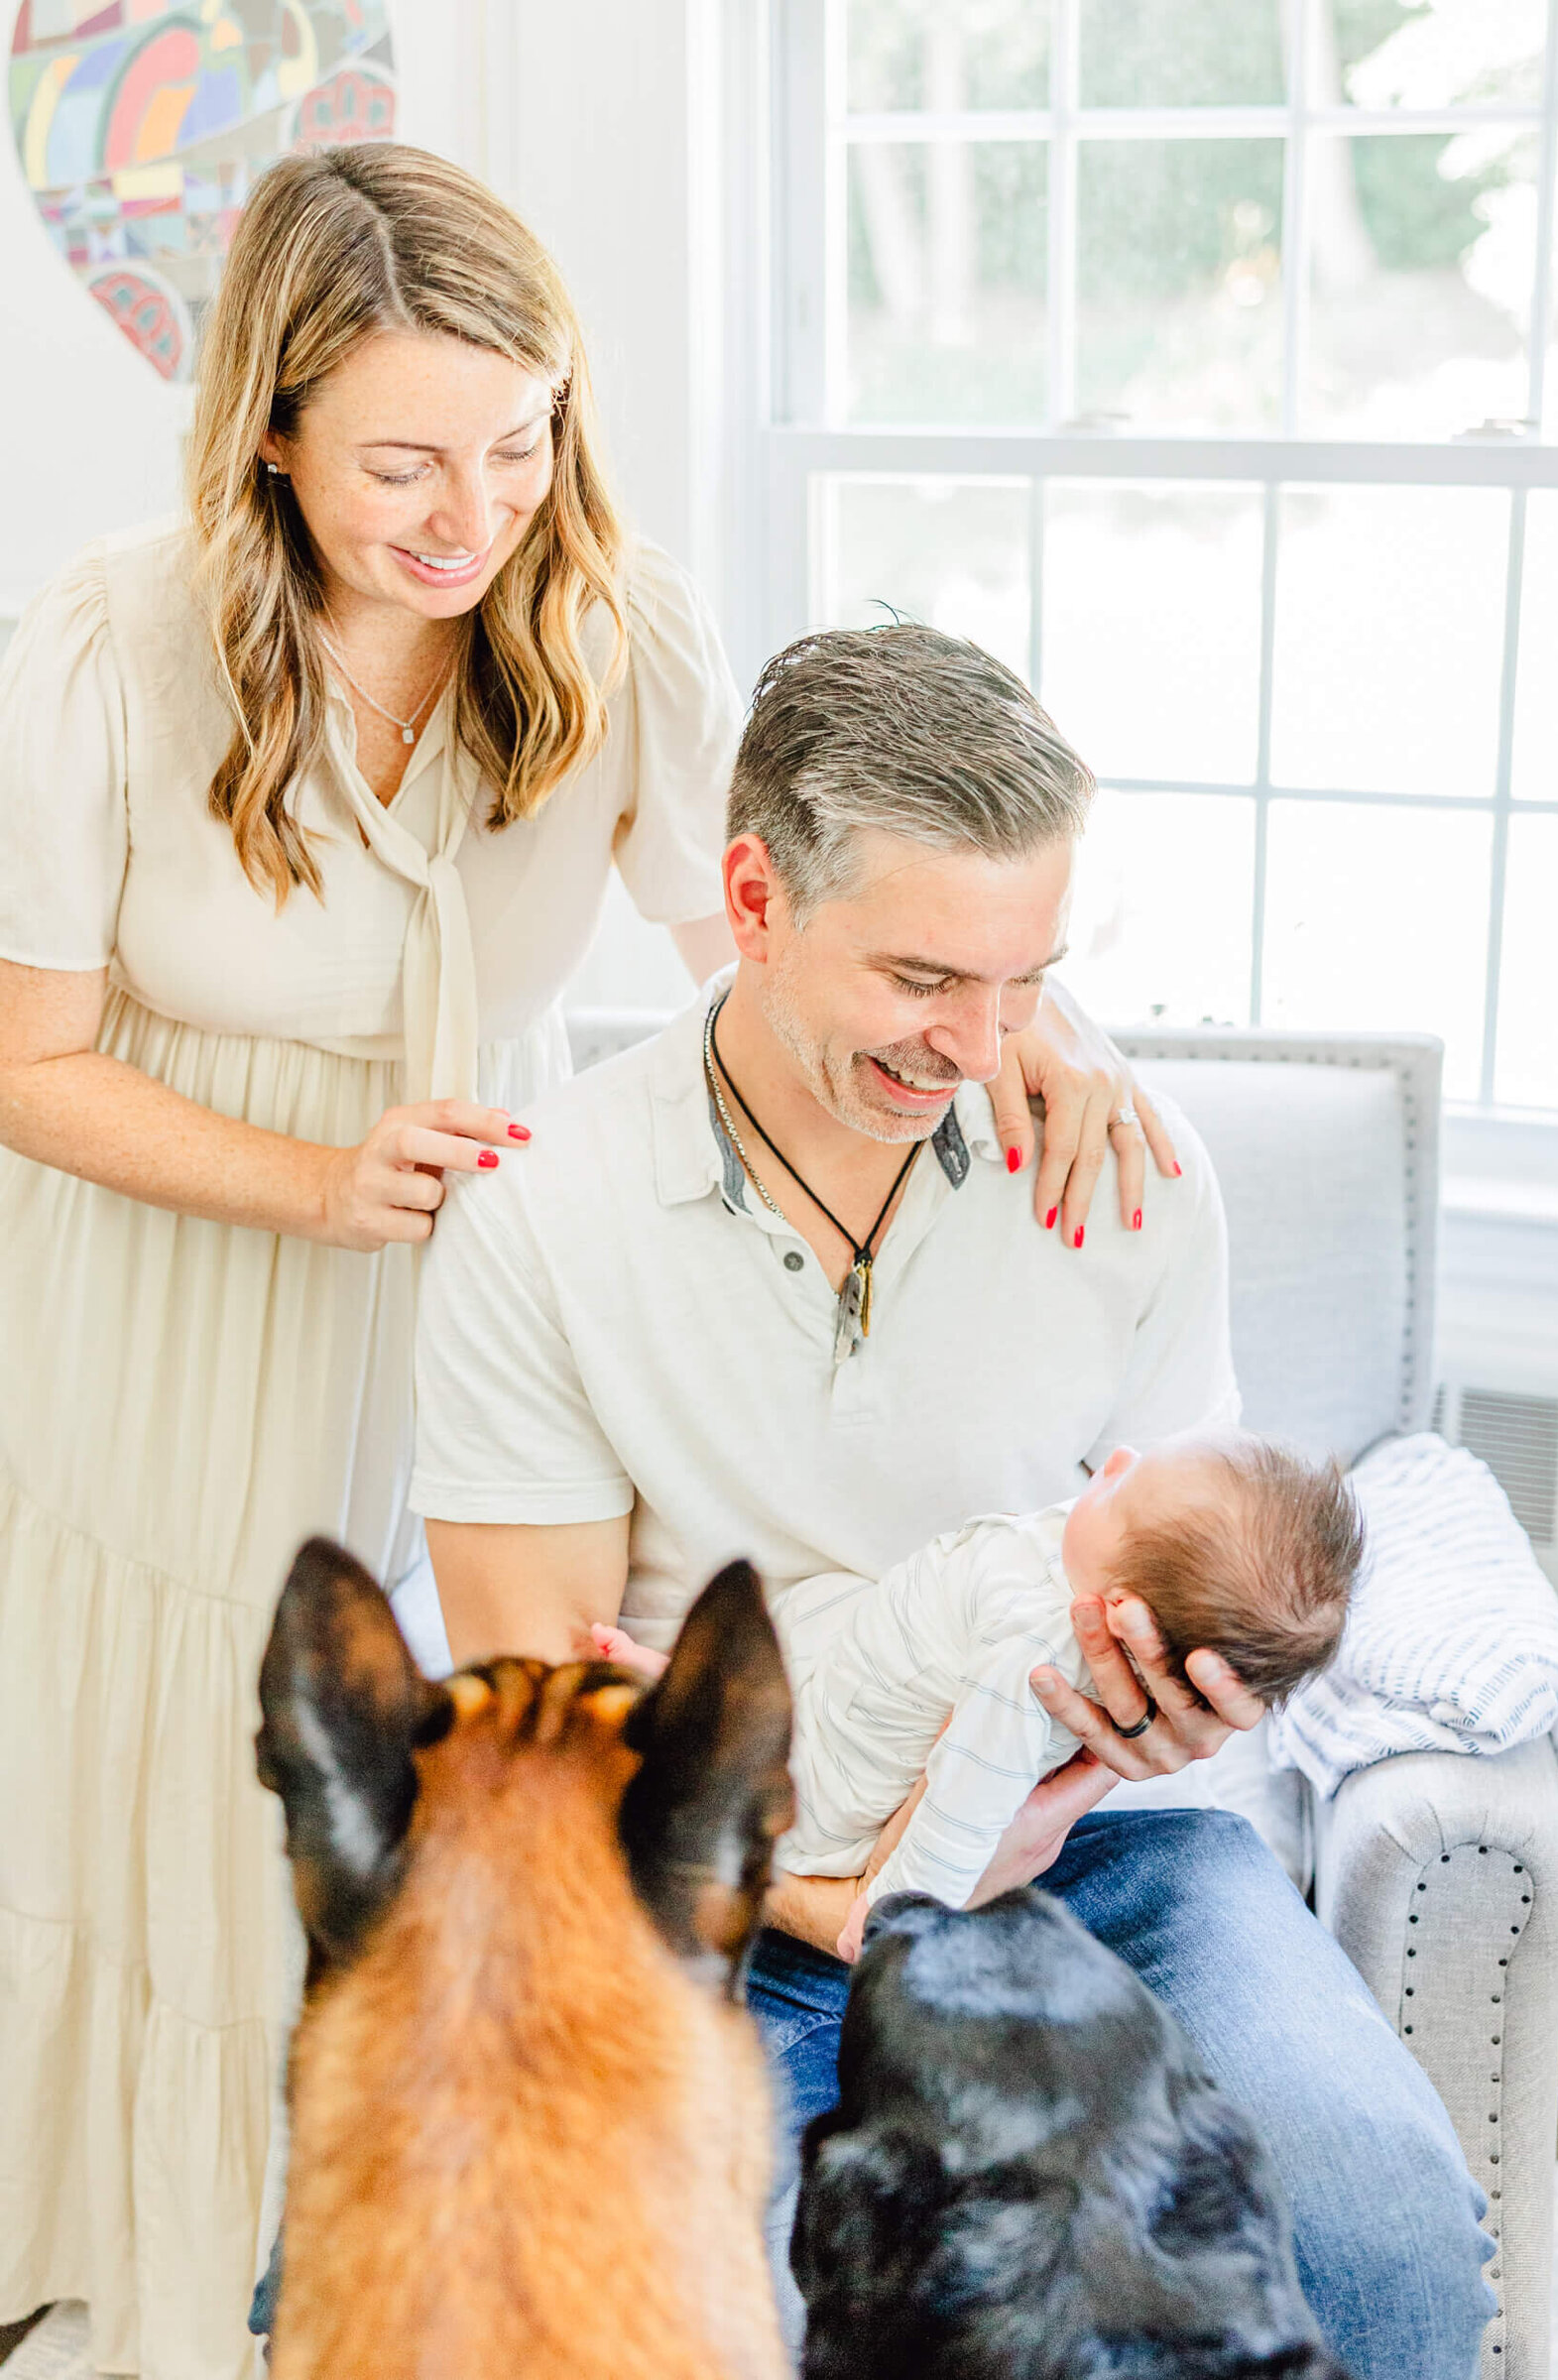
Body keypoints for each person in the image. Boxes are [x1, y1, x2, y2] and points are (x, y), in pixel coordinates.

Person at [0, 150, 1176, 2377]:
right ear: (270, 426)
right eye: (406, 460)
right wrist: (308, 1172)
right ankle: (152, 2280)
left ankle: (379, 2275)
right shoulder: (105, 650)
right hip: (179, 1292)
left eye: (524, 435)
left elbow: (788, 899)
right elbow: (21, 1057)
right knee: (179, 1788)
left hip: (477, 1304)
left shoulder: (602, 629)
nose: (478, 508)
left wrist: (1043, 1022)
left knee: (435, 1805)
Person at [411, 624, 1493, 2380]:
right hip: (710, 1891)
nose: (985, 1042)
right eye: (924, 976)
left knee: (1378, 2224)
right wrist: (827, 1900)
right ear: (751, 900)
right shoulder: (543, 1219)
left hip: (1102, 1864)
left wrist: (1125, 1741)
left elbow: (1184, 1547)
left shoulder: (1121, 1174)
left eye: (1028, 980)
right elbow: (540, 1723)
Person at [591, 1429, 1365, 1956]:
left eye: (1122, 1491)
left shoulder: (1034, 1663)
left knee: (770, 1758)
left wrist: (890, 1913)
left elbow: (969, 1792)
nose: (1117, 1458)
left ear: (1126, 1609)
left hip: (838, 1786)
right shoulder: (1114, 1557)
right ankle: (682, 1683)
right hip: (853, 1656)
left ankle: (672, 1708)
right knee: (803, 1616)